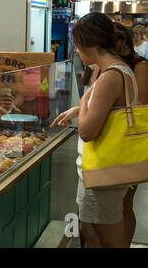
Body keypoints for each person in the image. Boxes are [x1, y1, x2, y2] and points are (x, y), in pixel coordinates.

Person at [50, 13, 144, 248]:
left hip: (104, 172)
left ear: (85, 44)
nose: (78, 53)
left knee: (107, 239)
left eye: (77, 47)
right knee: (90, 230)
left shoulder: (110, 76)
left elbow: (87, 132)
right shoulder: (119, 70)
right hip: (105, 170)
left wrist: (83, 103)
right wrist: (82, 107)